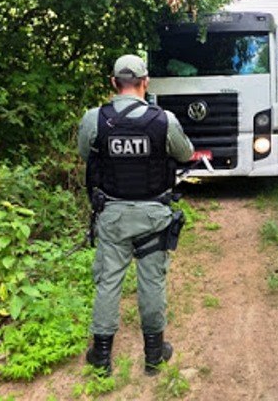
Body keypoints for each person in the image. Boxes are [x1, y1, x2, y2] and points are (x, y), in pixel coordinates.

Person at [78, 54, 194, 376]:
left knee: (108, 282)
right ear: (146, 83)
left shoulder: (94, 118)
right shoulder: (164, 120)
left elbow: (85, 153)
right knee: (152, 282)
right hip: (153, 216)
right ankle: (154, 356)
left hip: (112, 216)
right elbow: (185, 154)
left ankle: (101, 357)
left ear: (113, 83)